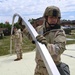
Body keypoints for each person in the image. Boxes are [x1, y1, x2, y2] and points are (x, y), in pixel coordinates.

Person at [34, 6, 70, 75]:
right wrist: (24, 28)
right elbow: (32, 37)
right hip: (38, 68)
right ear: (46, 18)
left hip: (51, 68)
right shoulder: (39, 29)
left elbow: (59, 48)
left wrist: (46, 45)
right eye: (51, 17)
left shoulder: (60, 32)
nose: (53, 20)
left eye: (55, 18)